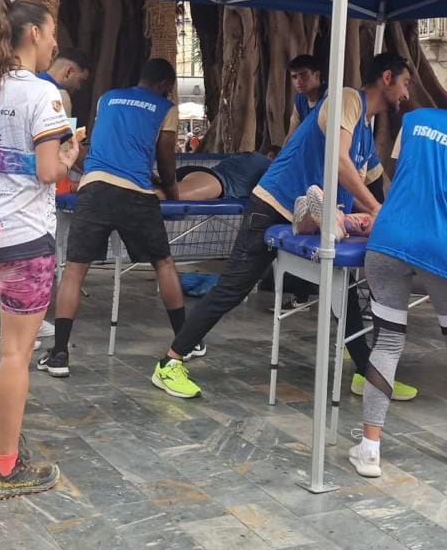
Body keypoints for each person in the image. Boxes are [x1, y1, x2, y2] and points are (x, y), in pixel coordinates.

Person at [151, 52, 417, 401]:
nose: (407, 94)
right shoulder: (347, 99)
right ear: (387, 78)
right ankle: (169, 363)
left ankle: (366, 372)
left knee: (346, 290)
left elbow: (377, 184)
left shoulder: (365, 130)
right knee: (233, 287)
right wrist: (376, 209)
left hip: (308, 216)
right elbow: (338, 162)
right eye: (405, 83)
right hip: (273, 205)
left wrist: (400, 215)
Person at [352, 59, 447, 479]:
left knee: (386, 343)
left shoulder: (415, 120)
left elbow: (400, 176)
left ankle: (369, 449)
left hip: (387, 240)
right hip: (445, 249)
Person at [0, 0, 77, 500]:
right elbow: (49, 171)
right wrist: (72, 152)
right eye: (52, 32)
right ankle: (6, 470)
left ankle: (3, 435)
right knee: (15, 352)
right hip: (25, 239)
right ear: (32, 33)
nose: (56, 43)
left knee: (10, 346)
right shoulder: (42, 94)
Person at [43, 59, 185, 378]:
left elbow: (101, 143)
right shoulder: (165, 107)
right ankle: (187, 340)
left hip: (94, 189)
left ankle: (59, 354)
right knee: (163, 263)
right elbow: (165, 158)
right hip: (136, 191)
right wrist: (173, 191)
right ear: (165, 85)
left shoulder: (107, 98)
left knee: (75, 271)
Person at [175, 147, 276, 201]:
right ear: (271, 155)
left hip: (203, 173)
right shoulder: (268, 165)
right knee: (164, 197)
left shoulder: (248, 156)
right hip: (214, 183)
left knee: (162, 192)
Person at [287, 54, 326, 131]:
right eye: (294, 77)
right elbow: (292, 133)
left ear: (317, 75)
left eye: (303, 75)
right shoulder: (299, 99)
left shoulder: (328, 96)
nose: (298, 81)